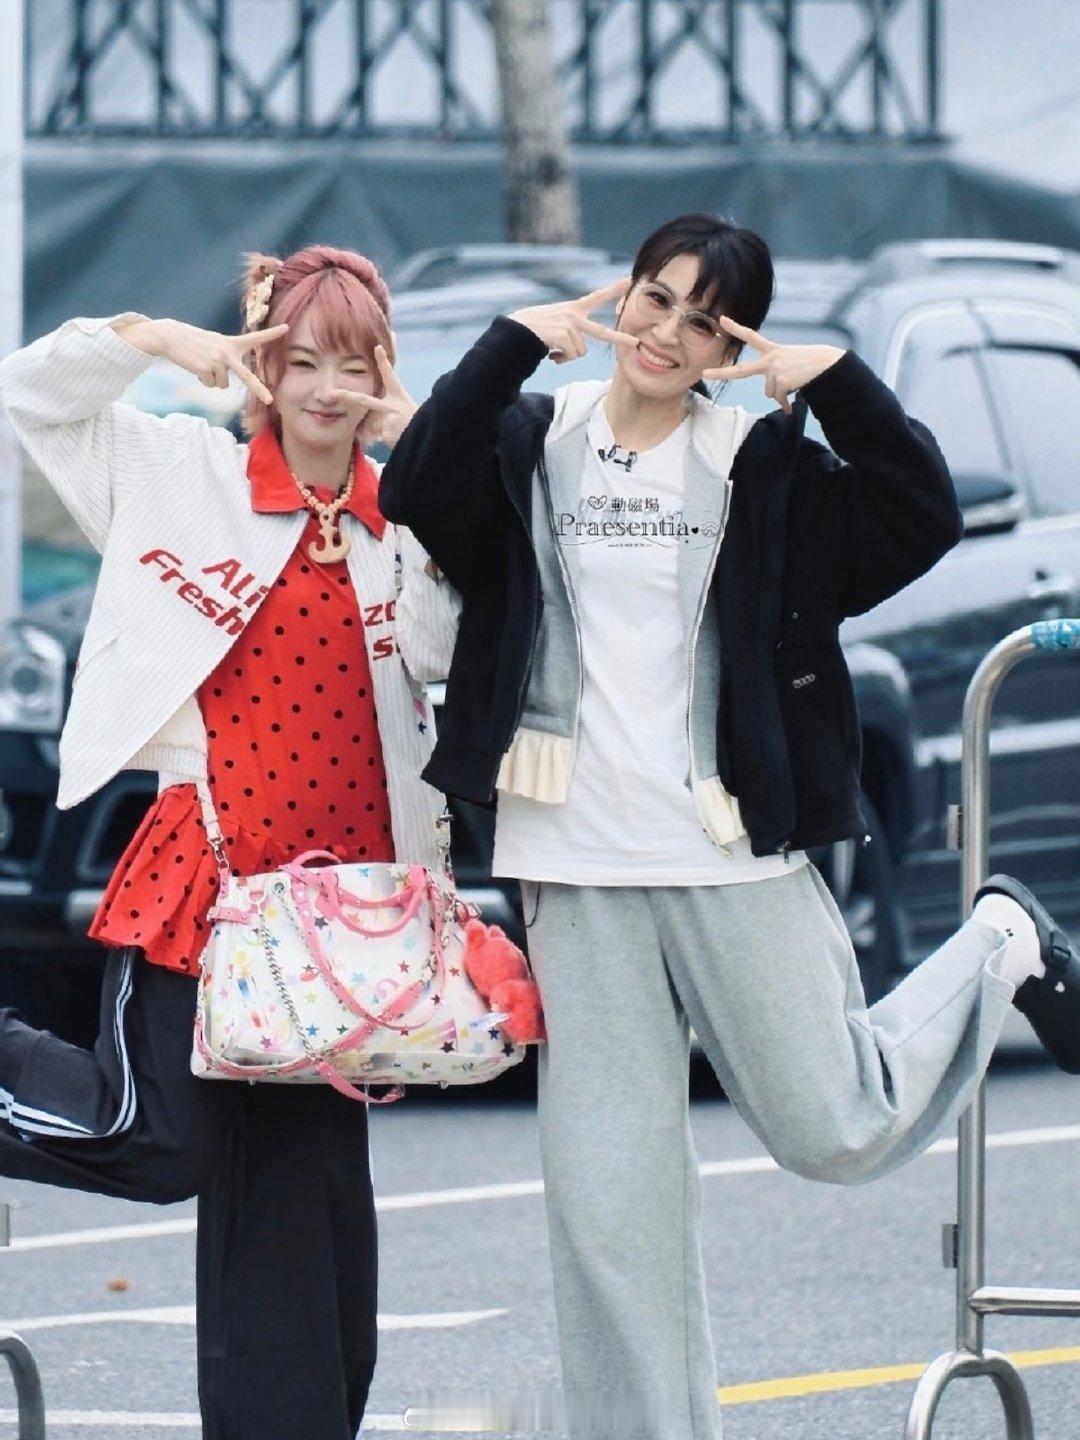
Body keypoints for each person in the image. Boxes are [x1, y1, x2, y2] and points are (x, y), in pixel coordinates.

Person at [378, 212, 1080, 1439]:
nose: (667, 333)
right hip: (573, 863)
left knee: (836, 1123)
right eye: (656, 299)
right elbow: (414, 485)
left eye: (704, 321)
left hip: (723, 849)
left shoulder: (761, 464)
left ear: (728, 346)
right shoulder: (535, 442)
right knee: (611, 1213)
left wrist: (840, 383)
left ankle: (999, 943)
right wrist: (509, 344)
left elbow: (920, 516)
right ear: (624, 297)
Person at [0, 244, 457, 1440]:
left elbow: (455, 645)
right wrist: (155, 337)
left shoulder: (405, 516)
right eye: (301, 362)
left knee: (306, 1224)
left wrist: (424, 450)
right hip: (209, 887)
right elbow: (30, 392)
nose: (327, 390)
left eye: (353, 364)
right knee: (156, 1141)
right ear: (263, 369)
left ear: (385, 370)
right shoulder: (178, 472)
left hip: (346, 927)